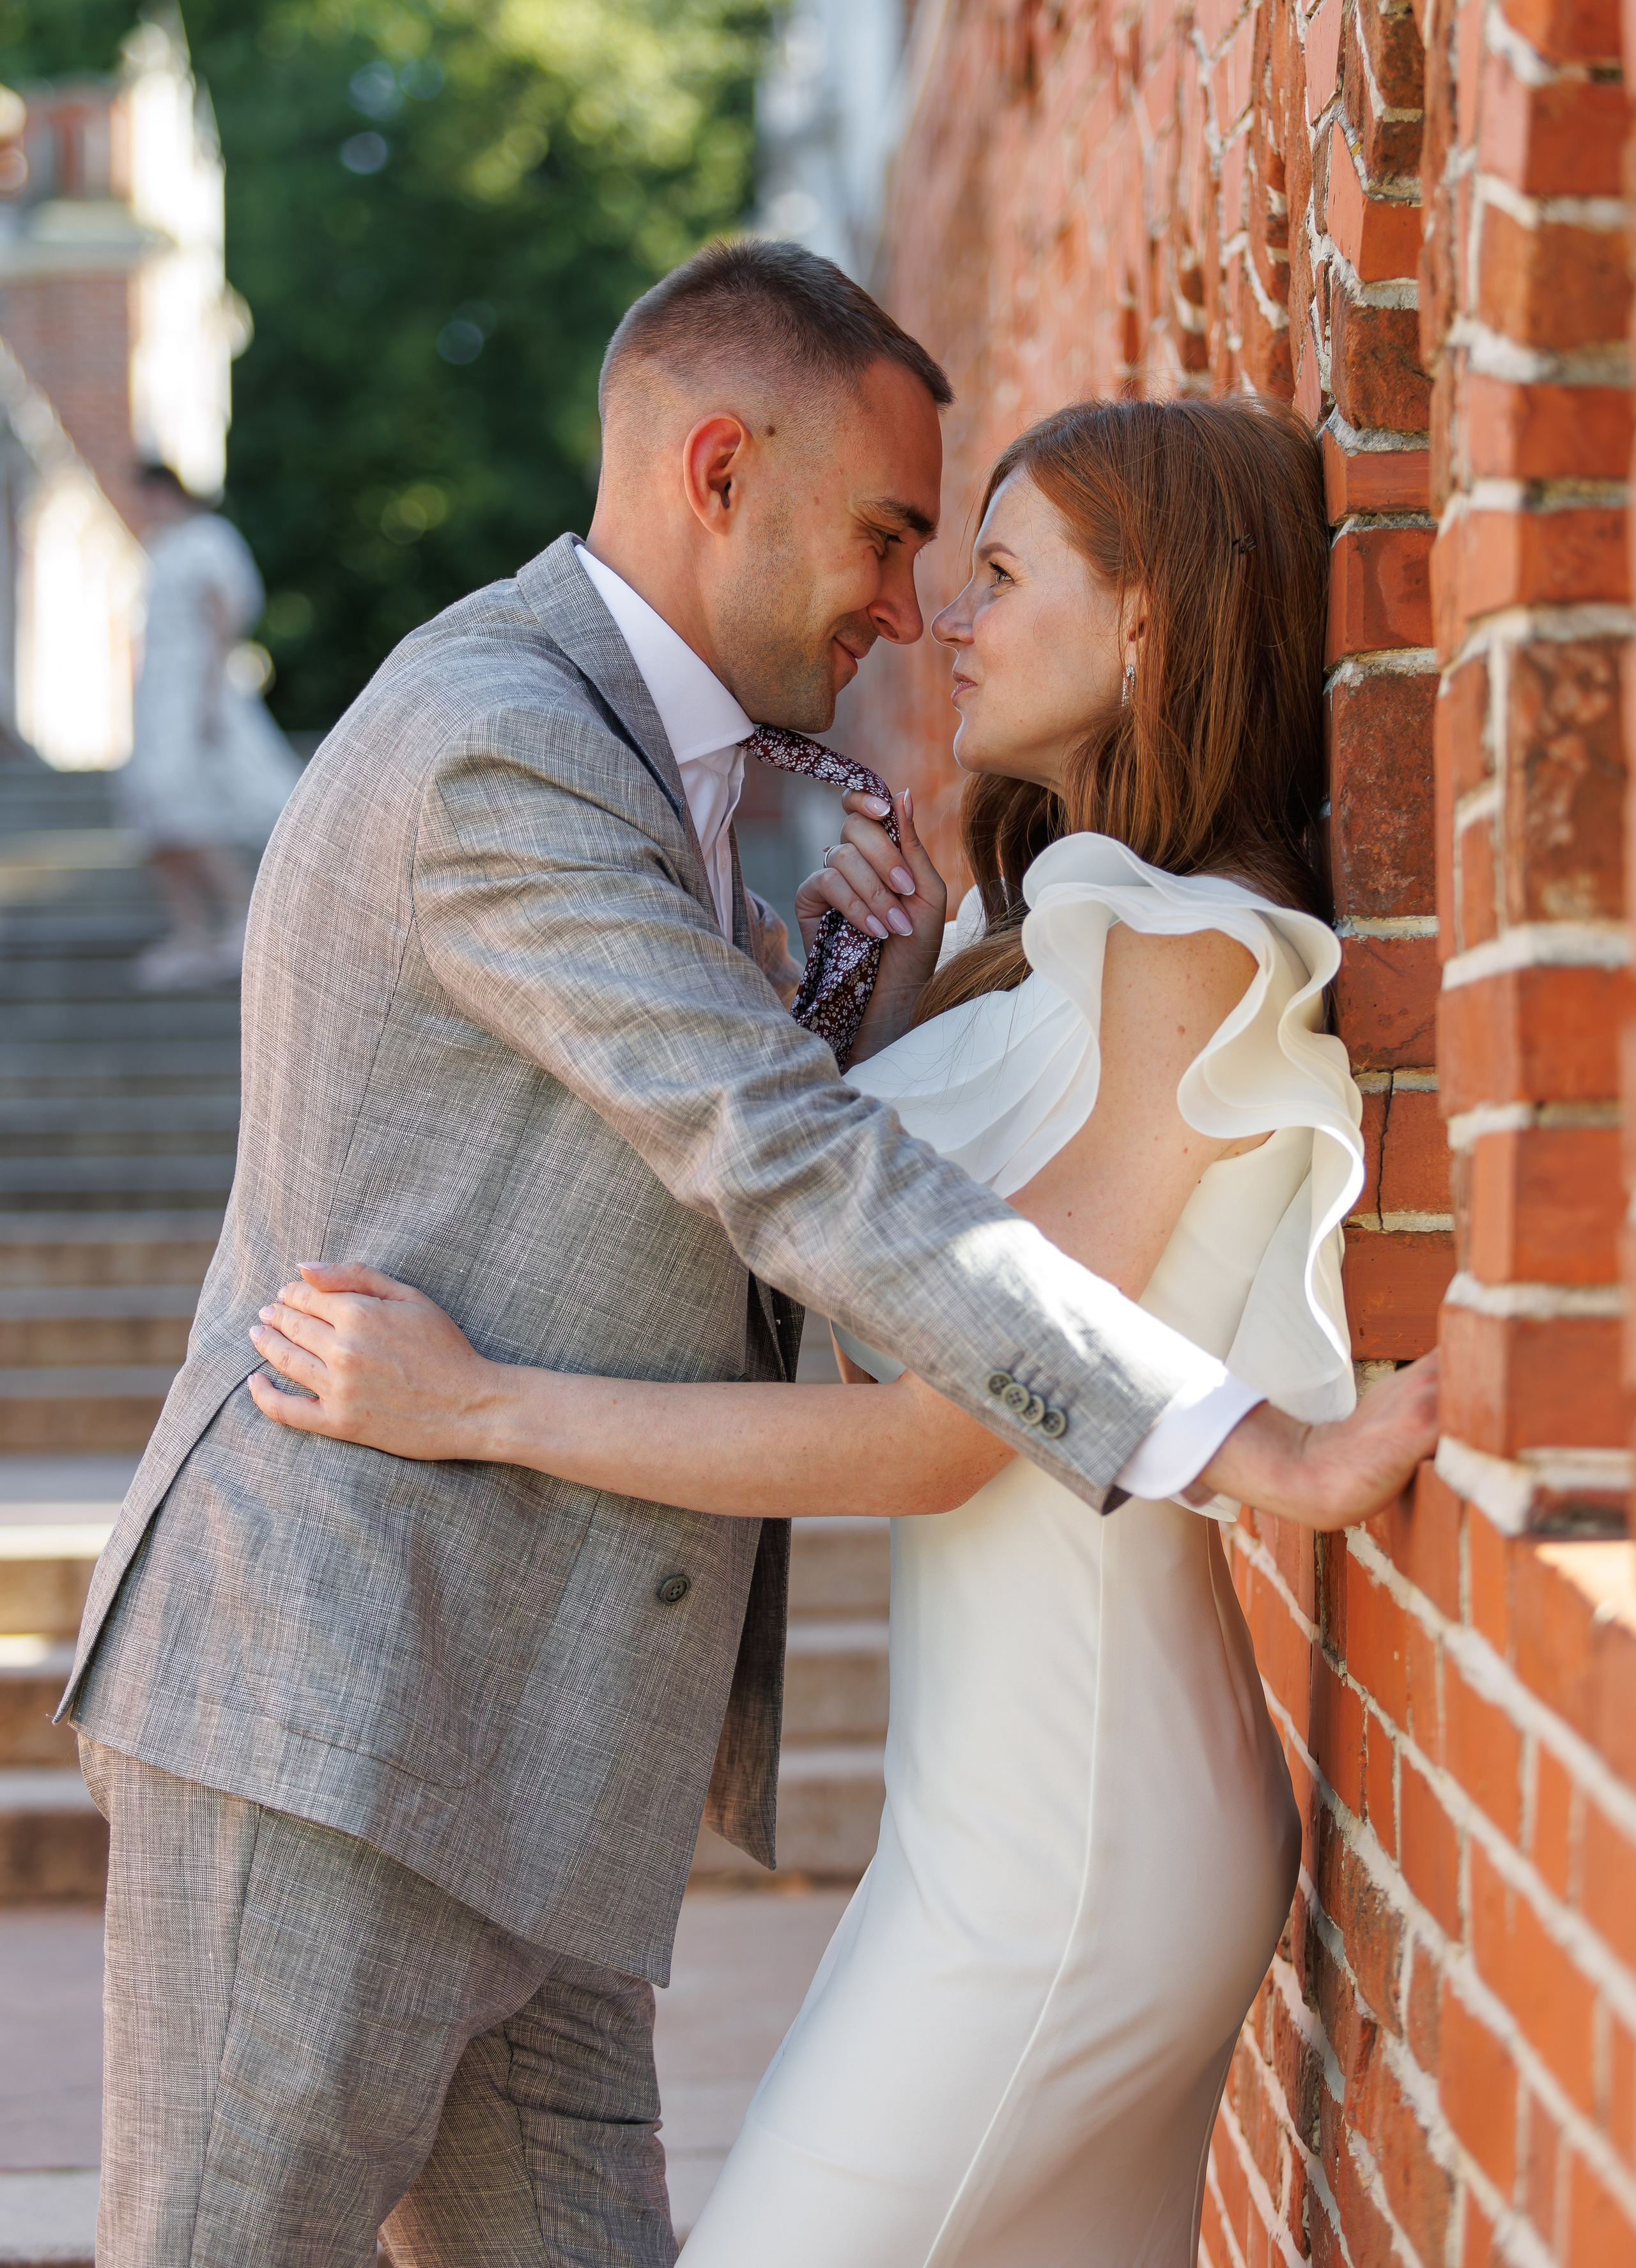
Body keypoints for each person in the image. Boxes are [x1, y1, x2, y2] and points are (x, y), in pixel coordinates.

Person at [64, 243, 1436, 2268]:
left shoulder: (668, 761)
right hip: (332, 1710)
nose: (911, 609)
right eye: (892, 534)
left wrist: (844, 993)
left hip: (535, 1755)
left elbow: (700, 1170)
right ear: (719, 471)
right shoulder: (499, 739)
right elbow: (775, 1166)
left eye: (964, 558)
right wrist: (1248, 1441)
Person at [118, 460, 300, 988]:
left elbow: (223, 614)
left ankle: (243, 912)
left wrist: (208, 698)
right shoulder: (162, 548)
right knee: (154, 812)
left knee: (185, 803)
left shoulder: (206, 539)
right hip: (158, 695)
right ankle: (190, 930)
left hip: (194, 688)